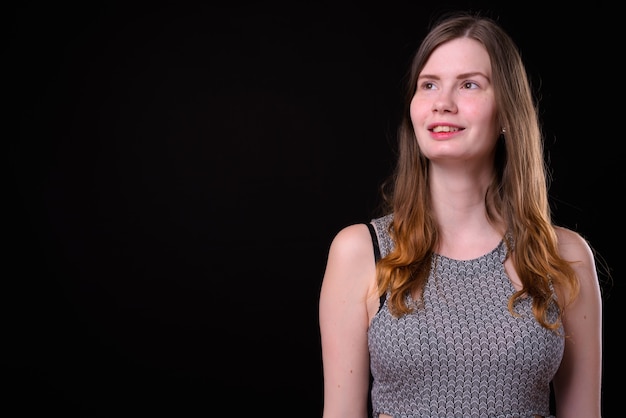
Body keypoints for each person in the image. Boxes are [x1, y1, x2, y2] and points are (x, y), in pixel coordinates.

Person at [318, 11, 603, 418]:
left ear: (507, 112)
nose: (442, 103)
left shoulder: (565, 257)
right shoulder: (360, 252)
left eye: (469, 84)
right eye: (429, 85)